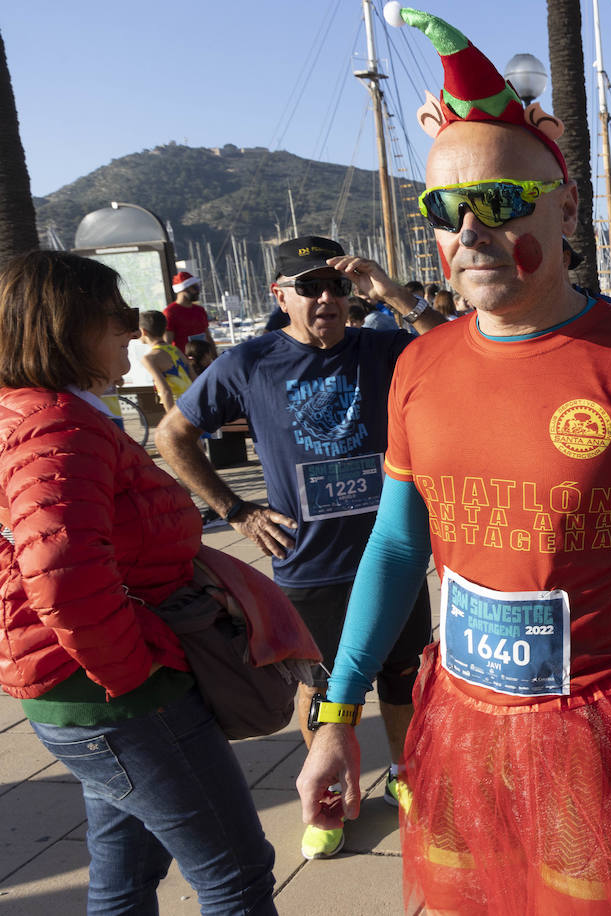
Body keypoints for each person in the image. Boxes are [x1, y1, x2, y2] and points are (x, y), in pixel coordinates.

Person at [297, 8, 611, 913]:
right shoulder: (419, 364)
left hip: (602, 726)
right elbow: (399, 551)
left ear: (564, 206)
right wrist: (338, 714)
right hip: (460, 720)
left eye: (503, 202)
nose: (470, 230)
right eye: (444, 208)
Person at [0, 251, 276, 914]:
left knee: (127, 871)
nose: (134, 328)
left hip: (85, 691)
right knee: (236, 875)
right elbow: (61, 576)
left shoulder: (38, 413)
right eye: (116, 316)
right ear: (64, 329)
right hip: (115, 696)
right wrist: (137, 678)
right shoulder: (57, 430)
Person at [155, 234, 446, 861]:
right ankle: (334, 794)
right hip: (308, 563)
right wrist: (234, 509)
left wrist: (391, 292)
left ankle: (407, 776)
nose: (327, 298)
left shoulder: (382, 349)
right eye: (310, 286)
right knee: (320, 687)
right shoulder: (250, 363)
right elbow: (172, 433)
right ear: (279, 294)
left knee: (403, 677)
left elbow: (458, 348)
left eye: (337, 286)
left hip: (390, 554)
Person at [137, 310, 197, 413]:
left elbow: (165, 391)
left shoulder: (149, 358)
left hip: (178, 409)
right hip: (194, 404)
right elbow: (195, 379)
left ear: (143, 331)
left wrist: (170, 419)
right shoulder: (176, 350)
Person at [164, 270, 217, 357]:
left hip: (204, 362)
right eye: (195, 288)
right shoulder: (169, 312)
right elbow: (167, 343)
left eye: (198, 287)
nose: (198, 291)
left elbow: (208, 337)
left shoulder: (200, 310)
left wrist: (215, 358)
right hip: (185, 363)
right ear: (183, 289)